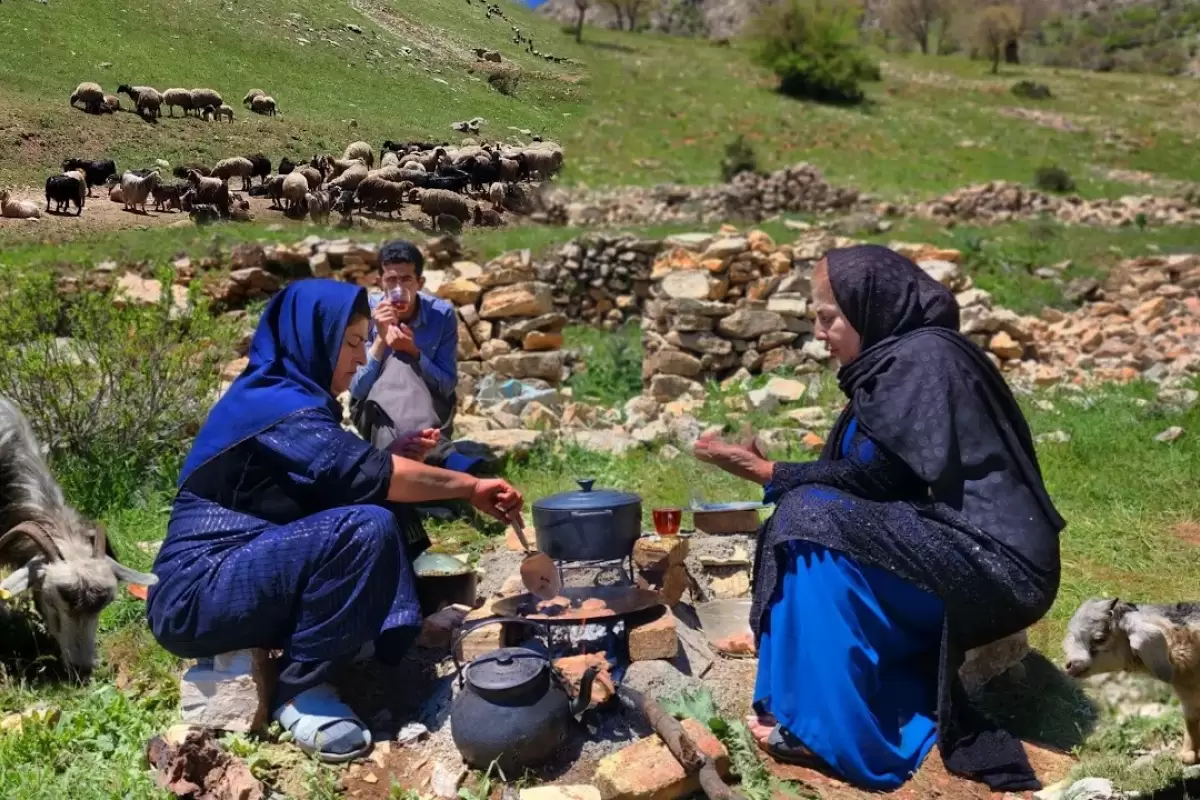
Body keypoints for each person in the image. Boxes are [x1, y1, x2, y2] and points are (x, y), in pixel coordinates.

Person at [693, 245, 1064, 791]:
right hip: (961, 546)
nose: (819, 334)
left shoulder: (922, 361)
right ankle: (794, 703)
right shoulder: (904, 359)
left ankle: (829, 732)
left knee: (809, 517)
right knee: (807, 513)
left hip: (998, 567)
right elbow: (880, 477)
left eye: (827, 318)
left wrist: (765, 471)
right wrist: (773, 474)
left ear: (871, 306)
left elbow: (875, 480)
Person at [146, 279, 524, 763]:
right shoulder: (274, 406)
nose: (360, 356)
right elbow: (368, 476)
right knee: (365, 525)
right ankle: (300, 691)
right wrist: (470, 487)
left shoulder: (286, 400)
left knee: (378, 507)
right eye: (349, 342)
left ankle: (354, 634)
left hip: (234, 573)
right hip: (196, 595)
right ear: (311, 340)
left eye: (365, 341)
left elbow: (349, 476)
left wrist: (392, 460)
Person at [349, 240, 484, 474]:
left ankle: (397, 466)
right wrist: (381, 341)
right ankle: (440, 455)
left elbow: (447, 385)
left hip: (429, 409)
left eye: (406, 280)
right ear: (380, 282)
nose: (398, 288)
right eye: (391, 280)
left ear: (419, 283)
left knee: (405, 360)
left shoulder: (441, 316)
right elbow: (357, 391)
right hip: (374, 411)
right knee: (397, 362)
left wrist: (414, 352)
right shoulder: (364, 314)